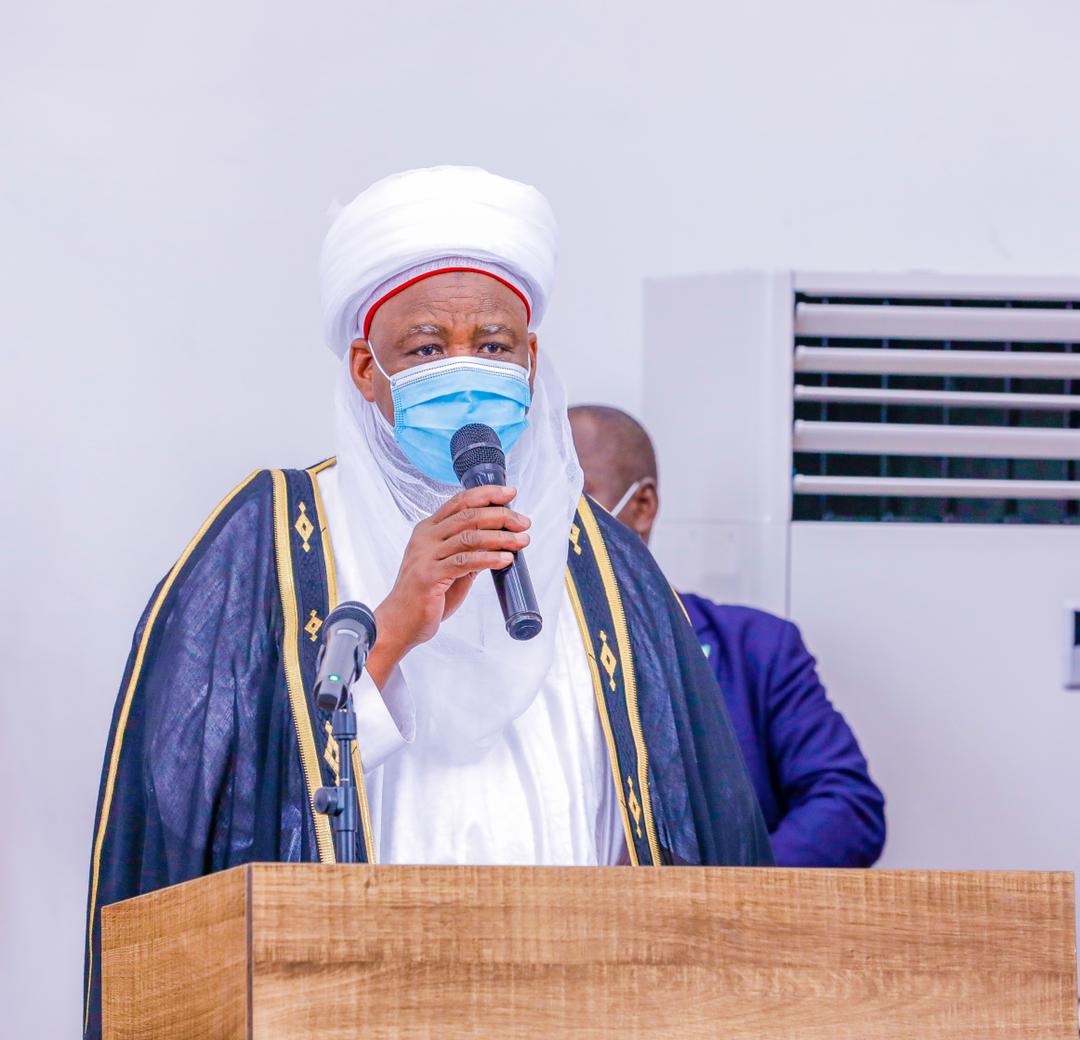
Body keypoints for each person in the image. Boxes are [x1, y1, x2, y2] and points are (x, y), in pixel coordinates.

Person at [83, 167, 772, 1039]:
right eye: (425, 348)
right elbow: (193, 801)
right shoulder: (272, 538)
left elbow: (695, 819)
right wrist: (393, 630)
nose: (465, 368)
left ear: (531, 361)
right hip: (348, 1004)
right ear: (366, 370)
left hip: (587, 1002)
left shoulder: (609, 568)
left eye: (494, 345)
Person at [568, 404, 886, 868]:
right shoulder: (515, 660)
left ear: (642, 506)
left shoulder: (754, 648)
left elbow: (847, 806)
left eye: (575, 497)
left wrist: (729, 895)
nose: (553, 517)